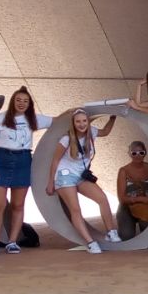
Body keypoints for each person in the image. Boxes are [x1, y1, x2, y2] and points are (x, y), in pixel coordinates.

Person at [0, 86, 50, 255]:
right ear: (13, 101)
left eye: (25, 101)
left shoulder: (33, 119)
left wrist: (78, 111)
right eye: (18, 100)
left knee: (18, 204)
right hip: (2, 159)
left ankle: (13, 241)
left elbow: (57, 120)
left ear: (30, 104)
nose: (21, 103)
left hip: (23, 160)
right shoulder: (0, 118)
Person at [45, 108, 120, 254]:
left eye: (84, 121)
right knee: (76, 209)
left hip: (81, 175)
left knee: (102, 199)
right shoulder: (66, 139)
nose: (81, 124)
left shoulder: (91, 132)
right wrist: (50, 182)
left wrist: (112, 119)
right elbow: (55, 160)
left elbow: (105, 132)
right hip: (64, 175)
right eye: (78, 121)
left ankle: (111, 232)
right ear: (73, 123)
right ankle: (90, 242)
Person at [116, 140, 148, 244]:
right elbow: (122, 199)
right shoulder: (124, 171)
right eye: (134, 153)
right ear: (129, 153)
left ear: (145, 153)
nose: (138, 155)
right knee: (126, 236)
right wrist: (141, 199)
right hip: (127, 207)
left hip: (146, 207)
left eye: (141, 152)